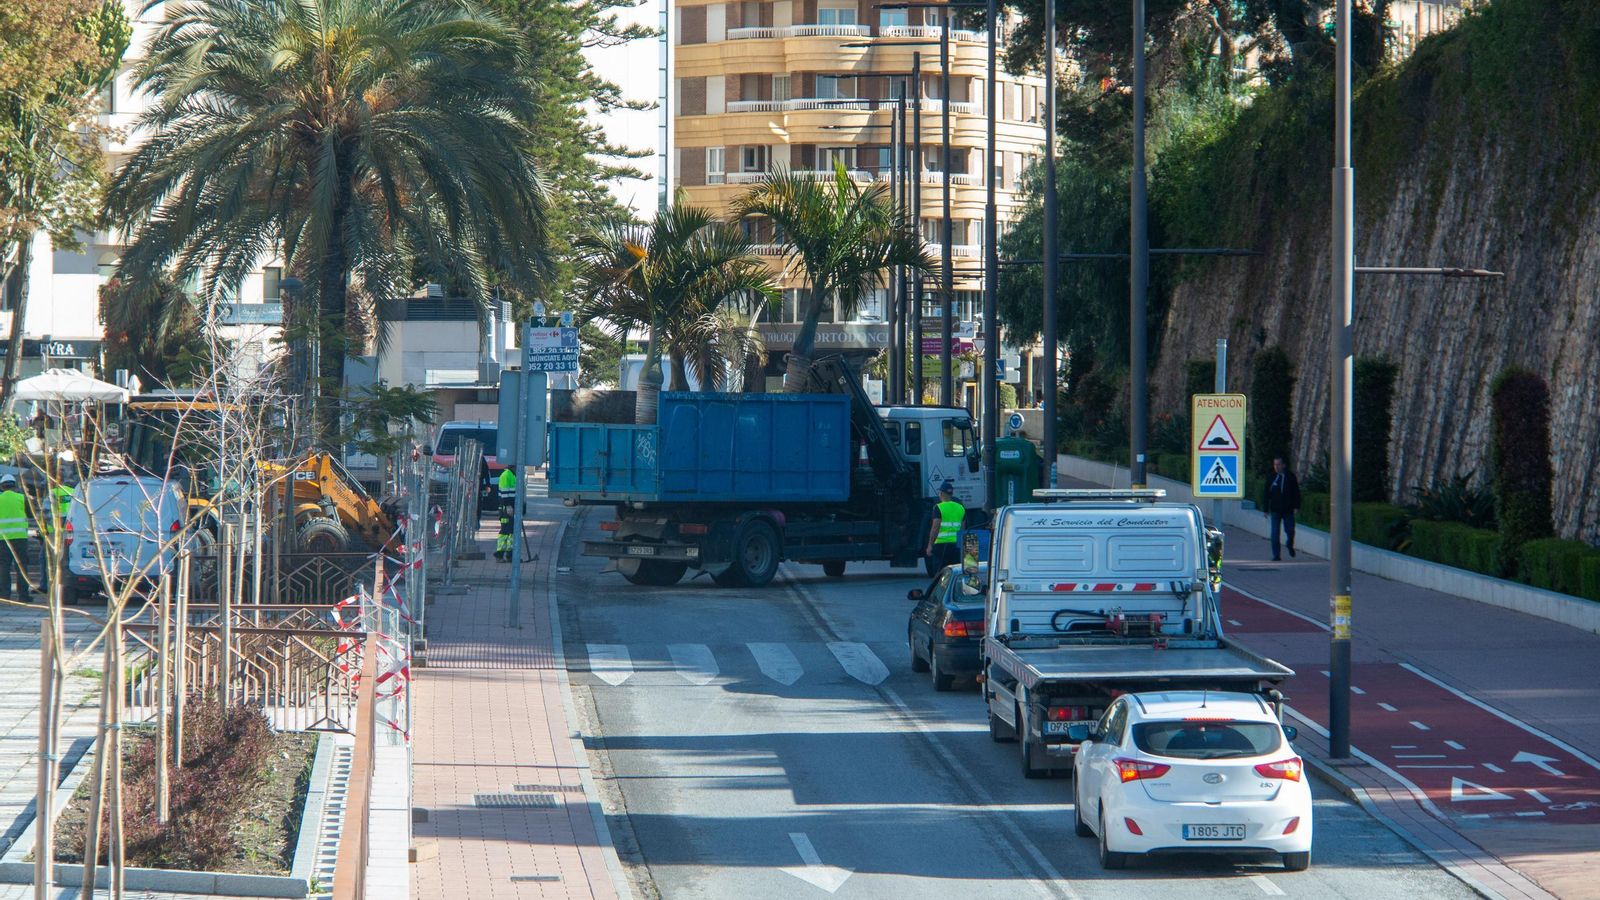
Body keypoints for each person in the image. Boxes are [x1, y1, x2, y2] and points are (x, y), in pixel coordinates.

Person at [0, 475, 33, 601]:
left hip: (2, 539)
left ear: (2, 486)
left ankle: (4, 595)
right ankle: (23, 596)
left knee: (3, 567)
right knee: (22, 567)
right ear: (15, 485)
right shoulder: (22, 498)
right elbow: (30, 515)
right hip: (20, 538)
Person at [37, 482, 72, 596]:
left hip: (55, 533)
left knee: (48, 561)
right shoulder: (73, 492)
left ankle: (49, 587)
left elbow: (46, 514)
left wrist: (47, 530)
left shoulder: (53, 493)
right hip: (71, 531)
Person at [1265, 457, 1301, 561]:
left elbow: (1296, 492)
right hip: (1275, 510)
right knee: (1275, 533)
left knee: (1290, 530)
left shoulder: (1290, 477)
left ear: (1283, 465)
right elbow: (1266, 493)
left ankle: (1289, 544)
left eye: (1278, 464)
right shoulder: (1271, 477)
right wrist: (1266, 509)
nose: (1276, 467)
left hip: (1288, 510)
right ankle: (1276, 555)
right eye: (1275, 465)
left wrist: (1296, 506)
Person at [924, 481, 963, 575]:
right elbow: (962, 527)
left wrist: (930, 545)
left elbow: (935, 527)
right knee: (955, 572)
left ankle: (942, 589)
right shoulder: (960, 507)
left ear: (941, 493)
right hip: (956, 546)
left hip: (941, 546)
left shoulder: (939, 508)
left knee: (940, 573)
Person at [495, 465, 517, 562]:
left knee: (511, 532)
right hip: (505, 509)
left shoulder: (513, 475)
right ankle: (499, 554)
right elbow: (504, 492)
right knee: (505, 531)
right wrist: (508, 506)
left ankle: (510, 554)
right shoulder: (506, 475)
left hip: (511, 508)